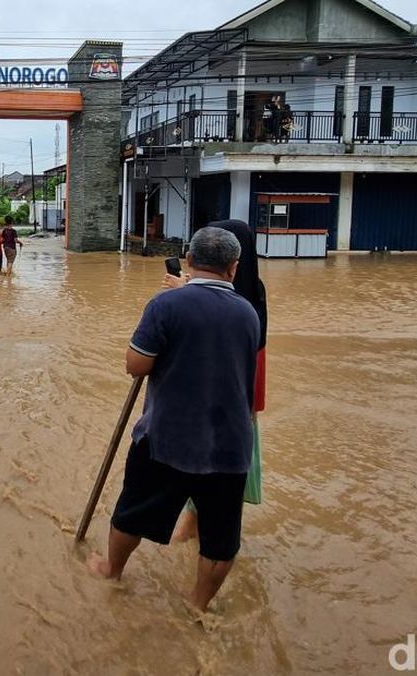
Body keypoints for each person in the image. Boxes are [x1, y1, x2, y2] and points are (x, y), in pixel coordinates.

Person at [87, 227, 260, 613]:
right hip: (230, 445)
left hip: (168, 436)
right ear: (234, 268)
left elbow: (136, 365)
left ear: (188, 262)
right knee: (220, 536)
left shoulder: (166, 306)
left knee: (132, 513)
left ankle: (112, 571)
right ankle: (198, 604)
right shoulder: (248, 312)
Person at [165, 219, 268, 544]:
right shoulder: (253, 295)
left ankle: (196, 532)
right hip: (237, 401)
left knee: (205, 471)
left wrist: (186, 294)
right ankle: (198, 530)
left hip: (217, 401)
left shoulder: (243, 305)